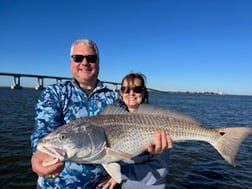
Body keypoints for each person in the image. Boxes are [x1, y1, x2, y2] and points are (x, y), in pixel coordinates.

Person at [30, 39, 172, 189]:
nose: (84, 62)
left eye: (91, 58)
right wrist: (38, 154)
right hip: (57, 185)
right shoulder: (54, 93)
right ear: (71, 61)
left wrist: (149, 149)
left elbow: (128, 139)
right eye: (78, 58)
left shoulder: (114, 98)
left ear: (98, 62)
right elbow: (44, 128)